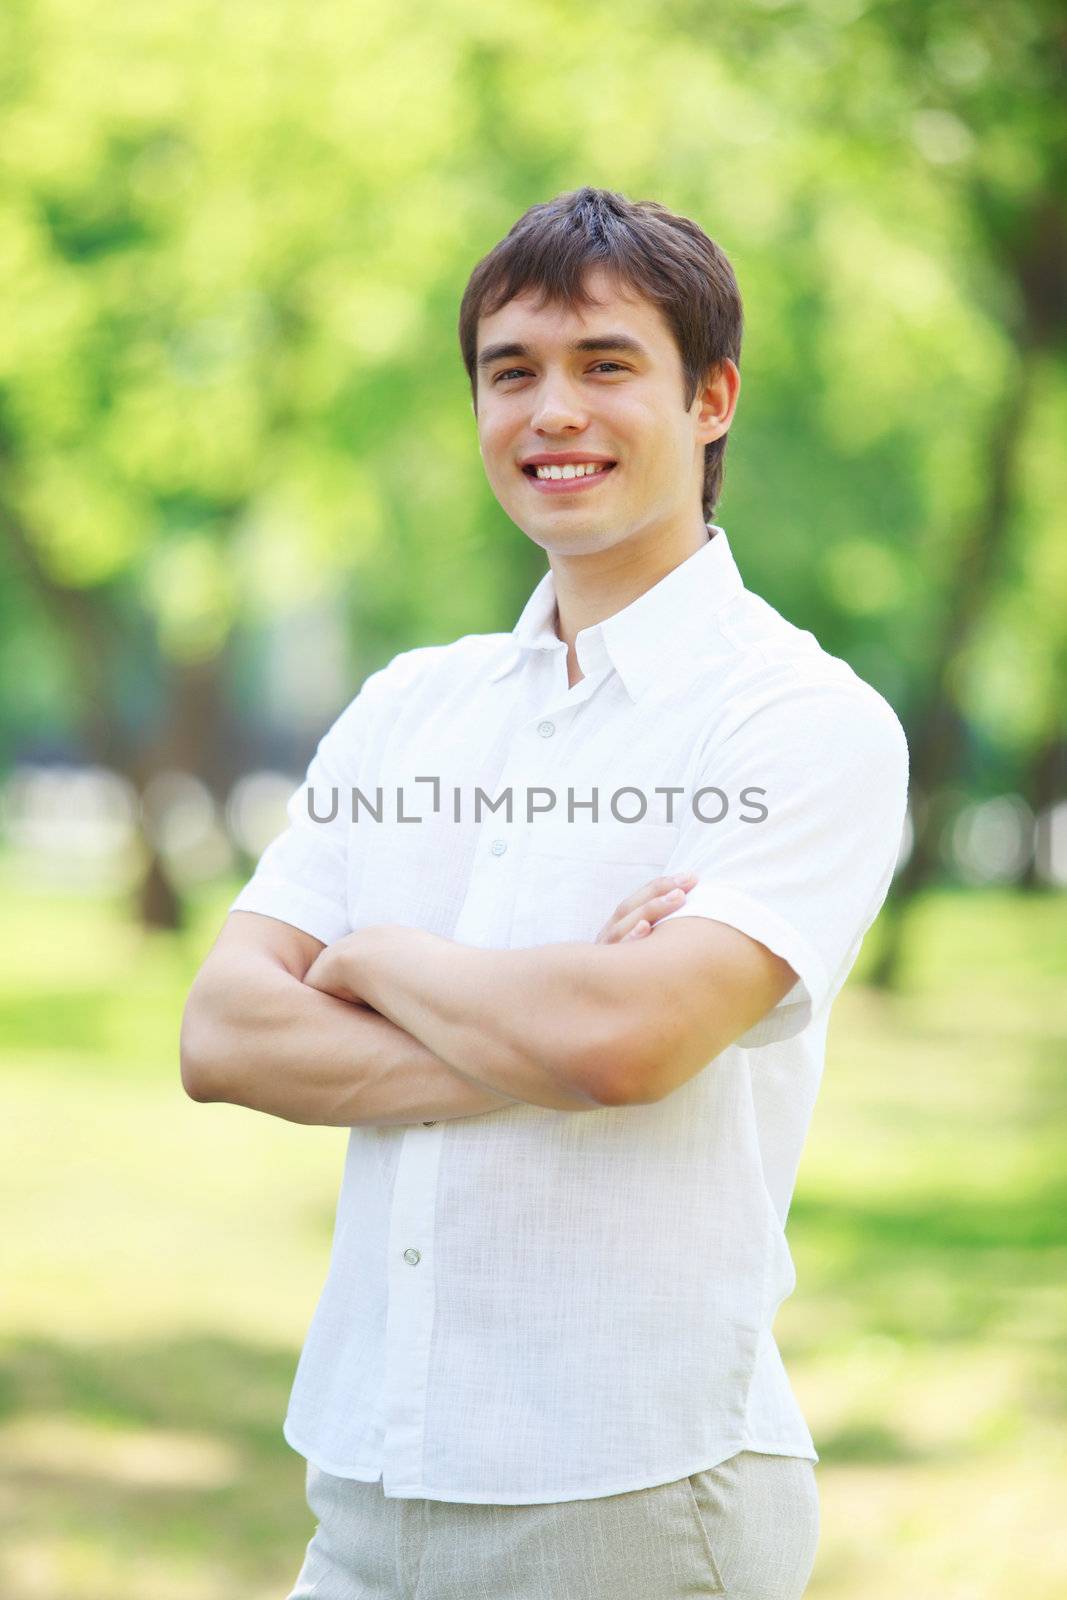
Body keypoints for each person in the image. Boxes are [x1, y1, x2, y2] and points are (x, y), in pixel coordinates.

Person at [180, 186, 909, 1599]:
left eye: (606, 366)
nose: (551, 412)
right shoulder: (410, 709)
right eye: (512, 373)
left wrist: (379, 956)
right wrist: (558, 1016)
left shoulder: (800, 720)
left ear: (712, 399)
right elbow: (222, 1036)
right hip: (366, 1484)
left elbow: (627, 1044)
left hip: (628, 1494)